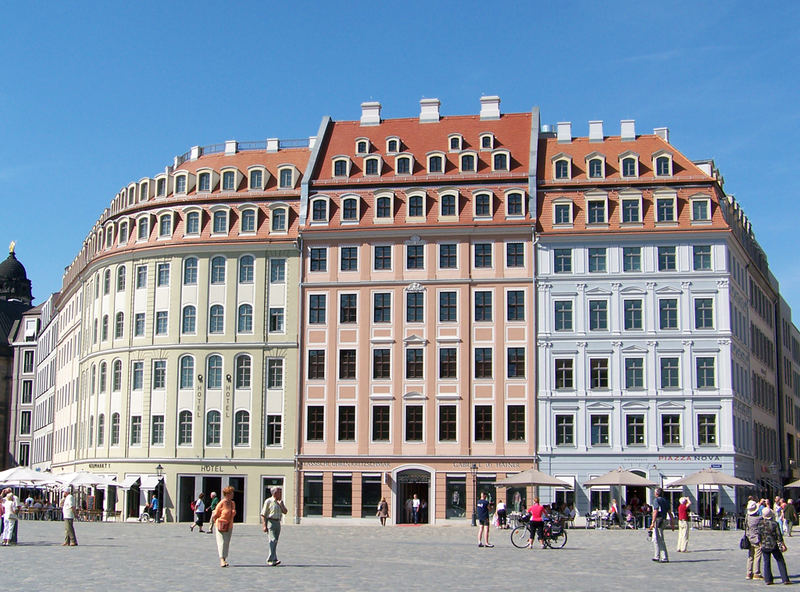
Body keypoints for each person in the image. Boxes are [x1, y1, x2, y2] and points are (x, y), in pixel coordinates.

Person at [758, 507, 792, 585]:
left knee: (766, 562)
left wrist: (760, 544)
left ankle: (768, 580)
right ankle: (785, 579)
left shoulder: (760, 524)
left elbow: (759, 535)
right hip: (773, 545)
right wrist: (782, 544)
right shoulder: (774, 523)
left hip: (764, 545)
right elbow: (779, 535)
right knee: (780, 561)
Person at [260, 486, 288, 566]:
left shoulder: (280, 502)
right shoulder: (268, 501)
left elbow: (285, 512)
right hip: (270, 522)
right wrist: (264, 525)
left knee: (275, 542)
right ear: (275, 493)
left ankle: (274, 559)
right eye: (279, 492)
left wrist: (281, 505)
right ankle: (270, 559)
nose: (281, 494)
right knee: (272, 540)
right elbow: (263, 514)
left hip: (278, 523)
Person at [211, 486, 236, 568]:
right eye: (231, 493)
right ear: (227, 494)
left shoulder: (232, 503)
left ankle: (224, 558)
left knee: (226, 543)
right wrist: (216, 523)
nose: (233, 494)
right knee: (221, 542)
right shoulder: (221, 503)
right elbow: (215, 514)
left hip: (229, 525)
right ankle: (221, 559)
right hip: (221, 525)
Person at [648, 488, 671, 563]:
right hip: (664, 519)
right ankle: (656, 556)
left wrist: (652, 522)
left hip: (658, 520)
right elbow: (669, 512)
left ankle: (664, 557)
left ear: (657, 493)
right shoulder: (665, 500)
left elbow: (655, 511)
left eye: (654, 492)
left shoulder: (656, 500)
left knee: (660, 538)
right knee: (655, 538)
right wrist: (672, 522)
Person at [746, 500, 763, 580]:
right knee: (757, 556)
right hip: (757, 539)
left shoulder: (747, 517)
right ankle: (756, 573)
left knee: (750, 556)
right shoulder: (759, 518)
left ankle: (749, 573)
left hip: (749, 538)